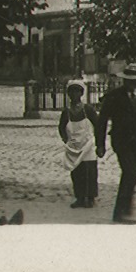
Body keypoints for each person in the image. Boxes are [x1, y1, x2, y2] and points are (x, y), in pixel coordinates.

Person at [96, 61, 136, 223]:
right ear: (125, 81)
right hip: (121, 142)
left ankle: (126, 209)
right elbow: (102, 120)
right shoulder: (115, 96)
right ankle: (120, 212)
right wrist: (100, 144)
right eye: (130, 81)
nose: (133, 84)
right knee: (129, 172)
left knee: (134, 175)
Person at [58, 79, 100, 208]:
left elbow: (98, 125)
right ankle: (80, 197)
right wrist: (66, 139)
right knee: (76, 171)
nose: (74, 94)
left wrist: (98, 142)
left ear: (81, 94)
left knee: (90, 171)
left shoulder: (88, 109)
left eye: (77, 91)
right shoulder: (67, 112)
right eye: (71, 92)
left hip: (87, 145)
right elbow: (61, 127)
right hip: (74, 146)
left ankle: (91, 198)